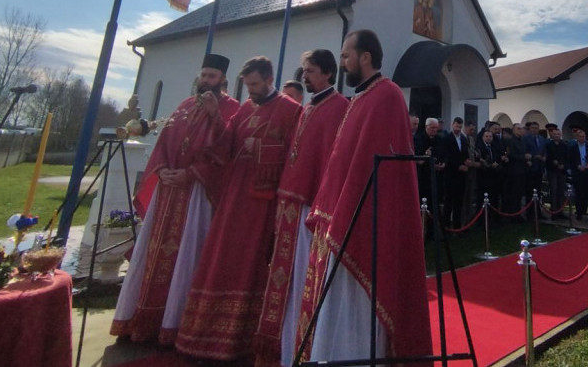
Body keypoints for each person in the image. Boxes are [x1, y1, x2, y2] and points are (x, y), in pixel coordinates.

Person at [297, 30, 433, 364]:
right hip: (343, 216)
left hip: (364, 221)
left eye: (346, 56)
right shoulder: (361, 97)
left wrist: (344, 213)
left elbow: (371, 166)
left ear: (365, 57)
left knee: (356, 304)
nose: (342, 63)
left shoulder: (385, 96)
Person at [175, 56, 301, 362]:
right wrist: (214, 118)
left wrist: (259, 149)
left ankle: (244, 336)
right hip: (234, 196)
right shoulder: (246, 108)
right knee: (221, 255)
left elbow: (295, 154)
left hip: (262, 201)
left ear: (270, 79)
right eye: (247, 85)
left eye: (256, 85)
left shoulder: (291, 111)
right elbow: (224, 144)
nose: (252, 91)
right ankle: (206, 333)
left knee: (250, 262)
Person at [111, 54, 238, 344]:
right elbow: (166, 141)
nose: (206, 81)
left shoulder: (232, 110)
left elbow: (227, 153)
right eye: (203, 75)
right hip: (168, 192)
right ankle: (140, 319)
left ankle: (176, 325)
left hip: (197, 195)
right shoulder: (183, 106)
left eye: (212, 76)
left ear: (223, 80)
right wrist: (163, 169)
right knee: (153, 255)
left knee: (187, 257)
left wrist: (191, 172)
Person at [256, 50, 349, 367]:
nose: (304, 76)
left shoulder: (339, 108)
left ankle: (302, 350)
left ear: (326, 73)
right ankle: (282, 347)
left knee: (304, 282)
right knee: (285, 282)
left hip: (311, 210)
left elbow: (331, 163)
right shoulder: (309, 108)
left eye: (309, 71)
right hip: (289, 206)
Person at [440, 116, 469, 229]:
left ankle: (457, 226)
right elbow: (447, 156)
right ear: (452, 125)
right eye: (457, 126)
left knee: (459, 202)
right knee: (449, 202)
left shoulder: (463, 139)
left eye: (460, 127)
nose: (458, 128)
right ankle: (446, 226)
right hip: (451, 175)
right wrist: (458, 166)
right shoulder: (447, 139)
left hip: (461, 176)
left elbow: (465, 153)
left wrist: (466, 161)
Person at [568, 126, 588, 220]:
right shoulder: (573, 147)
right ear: (577, 137)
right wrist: (577, 166)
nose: (582, 138)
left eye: (583, 136)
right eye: (580, 136)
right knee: (579, 194)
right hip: (578, 173)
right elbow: (571, 160)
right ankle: (579, 213)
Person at [544, 124, 569, 215]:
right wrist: (553, 163)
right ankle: (554, 210)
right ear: (552, 135)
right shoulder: (548, 145)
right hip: (552, 171)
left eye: (558, 134)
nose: (556, 136)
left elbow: (567, 158)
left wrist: (564, 165)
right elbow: (547, 157)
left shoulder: (564, 145)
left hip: (562, 171)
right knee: (553, 191)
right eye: (555, 134)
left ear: (560, 135)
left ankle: (560, 211)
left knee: (561, 191)